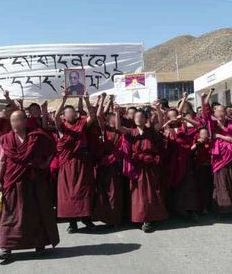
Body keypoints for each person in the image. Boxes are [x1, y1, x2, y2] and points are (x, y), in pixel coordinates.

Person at [0, 110, 59, 260]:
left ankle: (39, 244)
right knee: (10, 215)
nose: (15, 124)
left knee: (36, 213)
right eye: (12, 121)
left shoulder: (36, 136)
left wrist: (44, 164)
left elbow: (52, 150)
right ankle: (6, 248)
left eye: (17, 120)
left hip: (34, 181)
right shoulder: (7, 139)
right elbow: (2, 161)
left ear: (25, 121)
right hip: (13, 181)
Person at [114, 103, 168, 232]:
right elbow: (118, 127)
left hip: (150, 166)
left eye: (142, 117)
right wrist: (116, 112)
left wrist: (158, 110)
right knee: (139, 194)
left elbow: (161, 123)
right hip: (137, 166)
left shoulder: (151, 130)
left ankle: (152, 217)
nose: (139, 119)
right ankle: (142, 218)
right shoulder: (131, 131)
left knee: (153, 192)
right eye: (137, 117)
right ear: (134, 119)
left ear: (146, 119)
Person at [55, 91, 96, 233]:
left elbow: (93, 117)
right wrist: (64, 98)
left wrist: (87, 100)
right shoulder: (61, 127)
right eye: (68, 112)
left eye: (73, 112)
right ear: (64, 116)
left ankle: (86, 218)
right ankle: (72, 222)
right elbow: (55, 117)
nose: (72, 114)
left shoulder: (81, 124)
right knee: (68, 194)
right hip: (67, 165)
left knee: (84, 191)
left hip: (81, 163)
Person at [202, 90, 232, 215]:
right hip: (219, 156)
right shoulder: (212, 124)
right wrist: (207, 97)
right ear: (214, 113)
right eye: (218, 111)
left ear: (226, 113)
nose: (220, 113)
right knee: (221, 183)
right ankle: (223, 209)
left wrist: (219, 135)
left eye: (222, 111)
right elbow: (205, 112)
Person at [93, 93, 124, 227]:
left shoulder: (120, 131)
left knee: (114, 191)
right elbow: (99, 115)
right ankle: (104, 216)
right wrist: (103, 100)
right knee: (102, 190)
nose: (112, 122)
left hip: (115, 163)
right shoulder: (104, 130)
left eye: (114, 120)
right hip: (103, 162)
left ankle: (115, 218)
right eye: (110, 120)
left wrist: (116, 112)